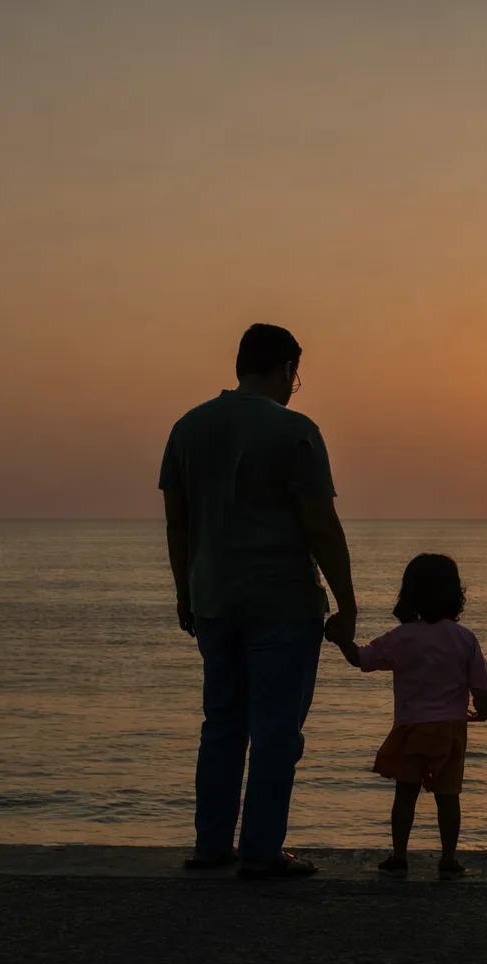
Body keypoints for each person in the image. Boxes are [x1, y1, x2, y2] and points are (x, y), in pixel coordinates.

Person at [159, 323, 356, 879]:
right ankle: (262, 851)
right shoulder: (296, 430)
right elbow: (321, 524)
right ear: (288, 369)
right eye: (298, 373)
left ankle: (211, 845)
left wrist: (184, 591)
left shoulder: (187, 428)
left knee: (221, 724)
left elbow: (179, 521)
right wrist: (347, 602)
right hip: (283, 603)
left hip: (213, 599)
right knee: (275, 733)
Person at [328, 553, 487, 878]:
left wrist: (341, 640)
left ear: (409, 594)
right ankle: (448, 859)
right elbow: (481, 687)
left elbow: (361, 659)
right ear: (455, 594)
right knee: (448, 796)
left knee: (405, 794)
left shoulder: (402, 637)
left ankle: (400, 856)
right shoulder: (464, 638)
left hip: (410, 727)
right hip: (449, 730)